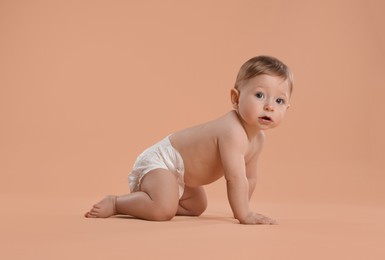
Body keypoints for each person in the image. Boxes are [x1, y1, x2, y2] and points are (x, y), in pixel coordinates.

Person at [85, 55, 293, 224]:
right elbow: (235, 178)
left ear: (287, 107)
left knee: (196, 206)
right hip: (163, 162)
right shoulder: (232, 130)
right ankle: (116, 203)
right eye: (259, 95)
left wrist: (244, 205)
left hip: (182, 175)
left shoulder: (258, 140)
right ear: (235, 98)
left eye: (279, 100)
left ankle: (156, 198)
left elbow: (249, 178)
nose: (269, 106)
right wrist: (244, 215)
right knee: (164, 210)